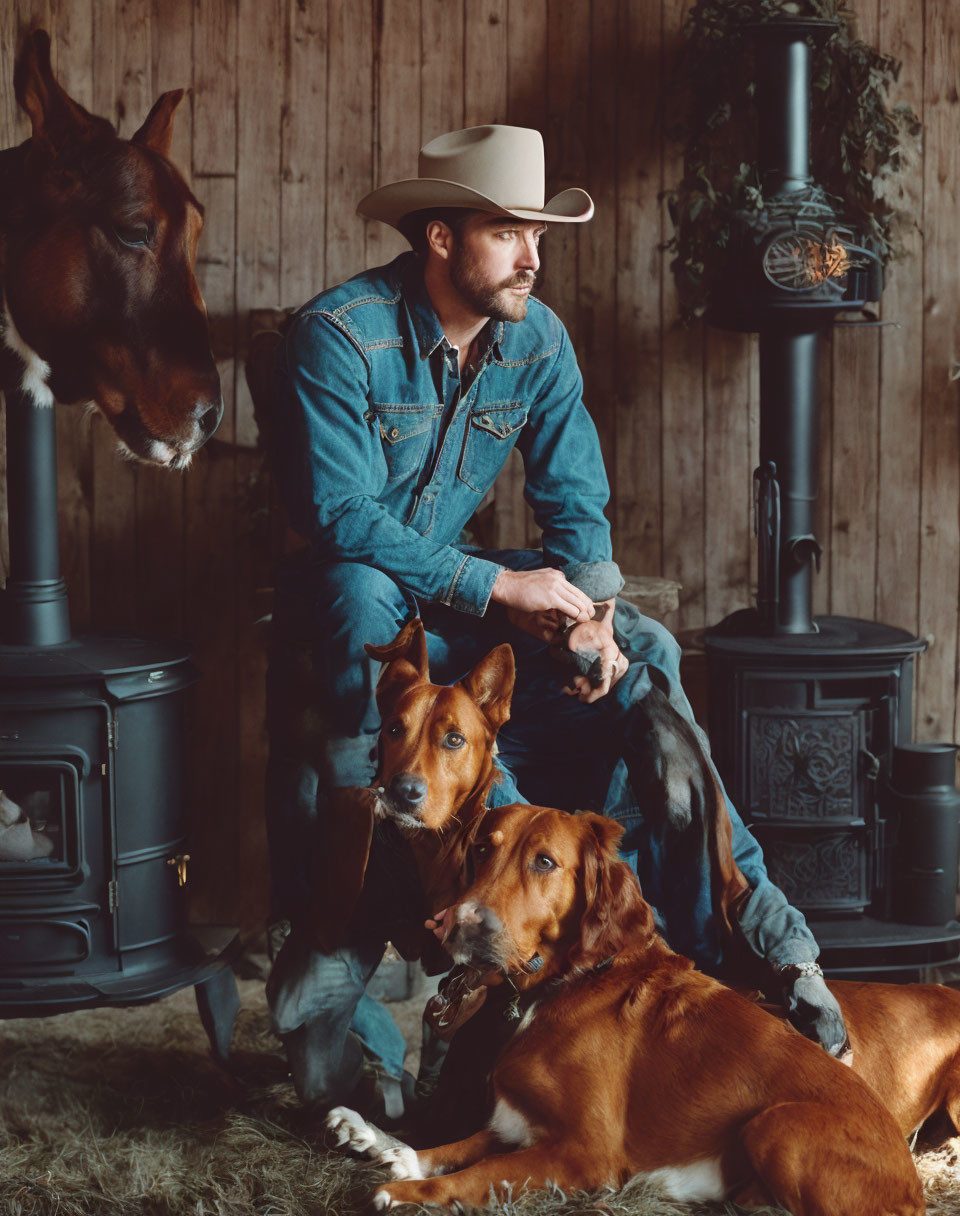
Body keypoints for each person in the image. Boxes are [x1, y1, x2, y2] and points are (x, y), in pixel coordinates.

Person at [265, 124, 847, 1117]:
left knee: (648, 656)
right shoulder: (339, 333)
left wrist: (596, 621)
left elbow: (576, 512)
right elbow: (341, 517)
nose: (535, 253)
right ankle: (443, 941)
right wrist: (501, 593)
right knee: (361, 589)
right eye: (509, 231)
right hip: (359, 615)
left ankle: (758, 940)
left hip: (455, 618)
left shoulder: (536, 336)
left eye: (539, 232)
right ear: (440, 238)